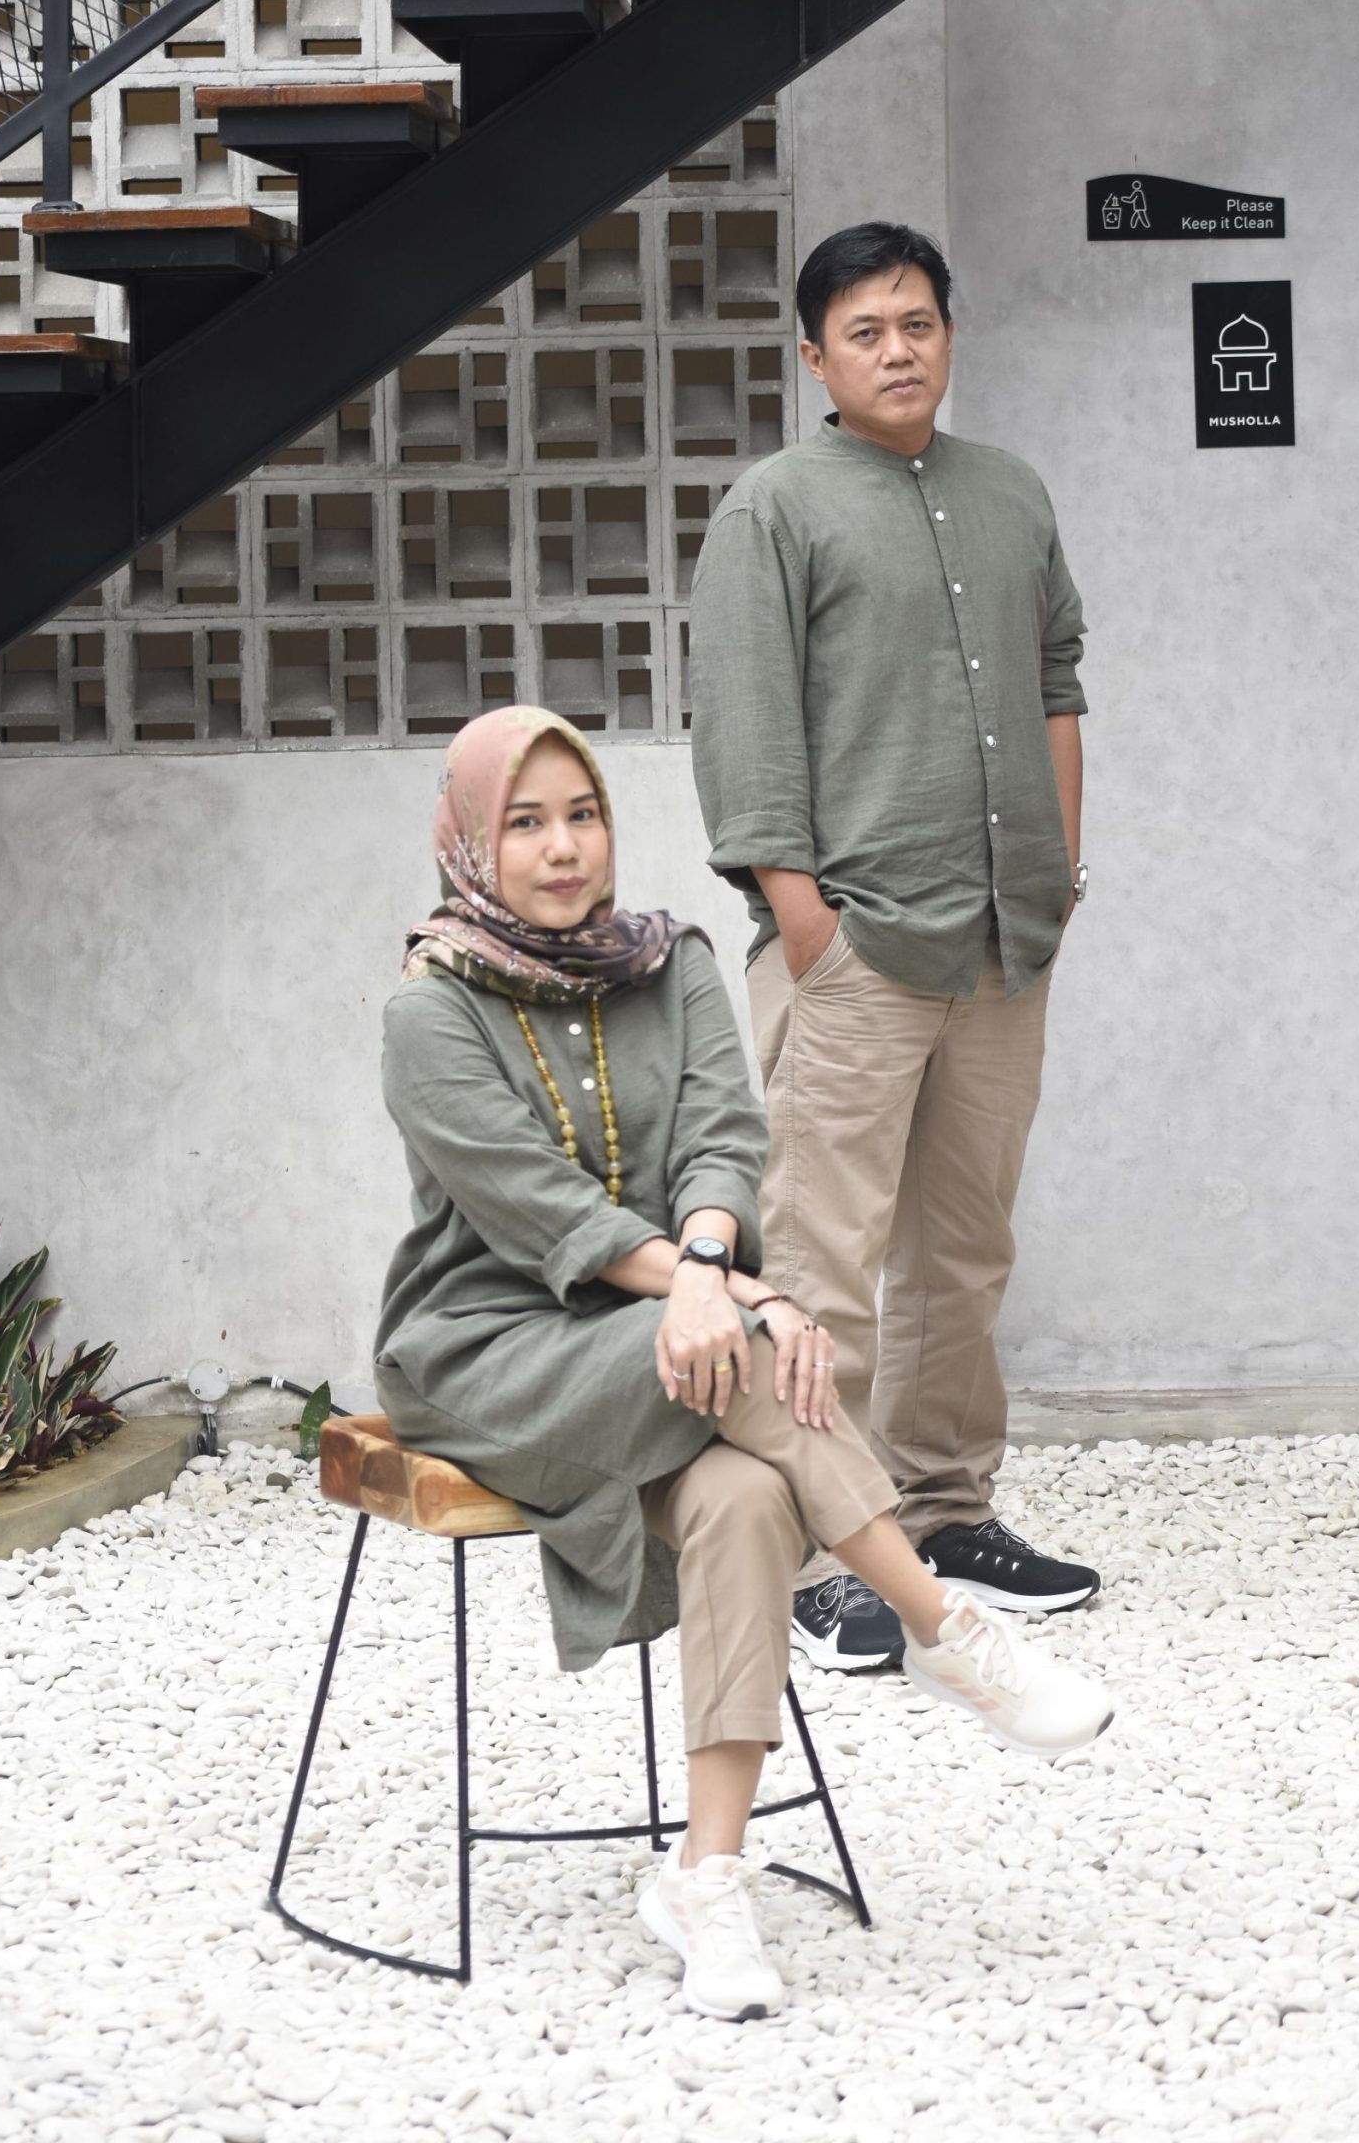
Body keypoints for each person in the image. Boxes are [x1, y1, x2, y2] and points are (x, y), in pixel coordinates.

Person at [374, 705, 1113, 2023]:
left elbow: (725, 1137)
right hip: (487, 1346)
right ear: (471, 841)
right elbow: (536, 1205)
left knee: (747, 1495)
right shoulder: (430, 1011)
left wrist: (712, 1266)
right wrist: (728, 1294)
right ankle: (940, 1626)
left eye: (582, 815)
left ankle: (706, 1880)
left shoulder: (672, 966)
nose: (562, 848)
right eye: (525, 824)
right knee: (758, 1353)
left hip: (680, 1327)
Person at [688, 221, 1100, 1673]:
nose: (898, 349)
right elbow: (744, 721)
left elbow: (1058, 680)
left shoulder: (1010, 492)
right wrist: (802, 919)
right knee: (818, 1262)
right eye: (864, 331)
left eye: (918, 322)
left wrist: (1058, 869)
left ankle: (946, 1511)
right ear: (816, 358)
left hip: (1003, 937)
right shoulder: (773, 508)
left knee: (963, 1255)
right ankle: (818, 1559)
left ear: (949, 334)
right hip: (854, 942)